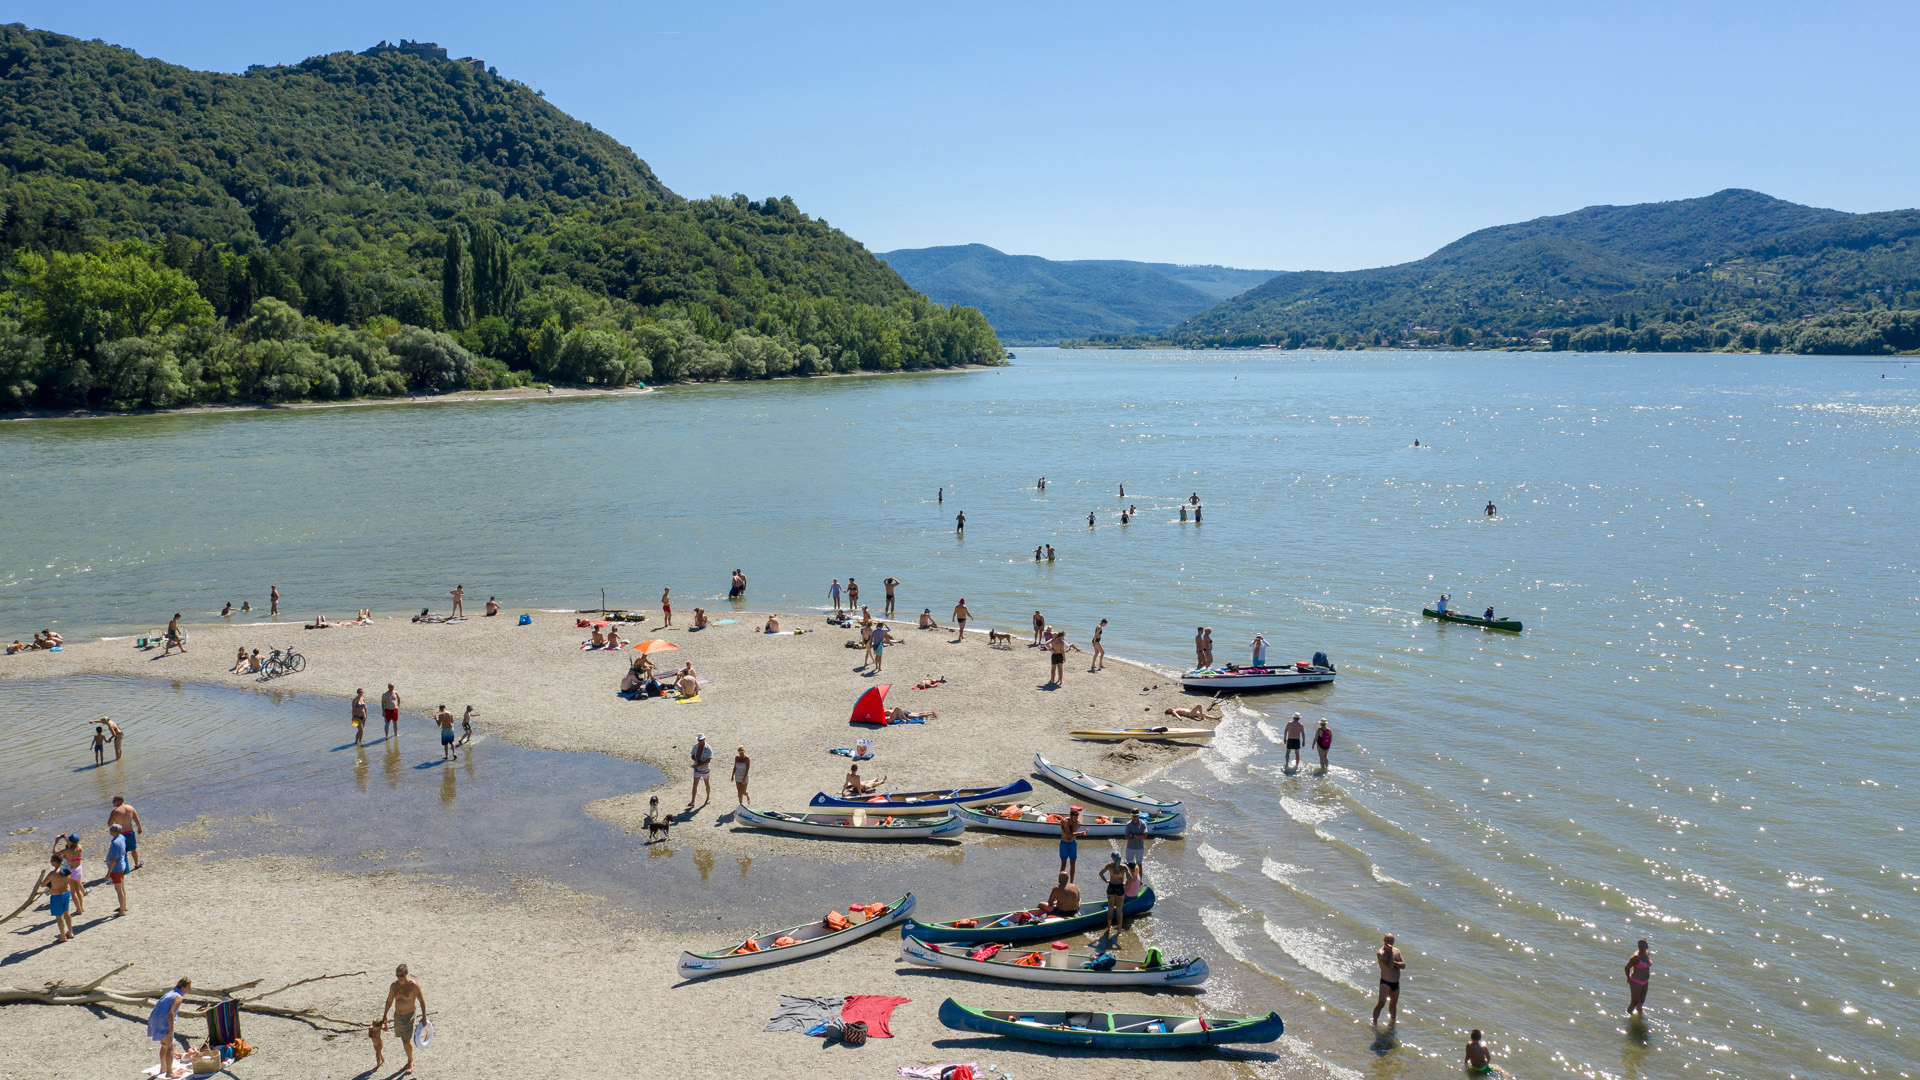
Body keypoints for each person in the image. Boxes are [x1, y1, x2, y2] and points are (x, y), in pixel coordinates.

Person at [381, 965, 427, 1076]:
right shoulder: (394, 986)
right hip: (398, 1016)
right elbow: (390, 1000)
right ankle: (409, 1060)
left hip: (409, 1015)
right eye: (397, 975)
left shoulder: (413, 986)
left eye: (401, 975)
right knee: (403, 1040)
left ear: (406, 974)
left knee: (406, 1041)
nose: (399, 977)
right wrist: (385, 1015)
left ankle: (411, 1062)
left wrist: (424, 1016)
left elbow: (421, 1001)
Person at [150, 978, 193, 1076]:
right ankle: (169, 1073)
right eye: (189, 987)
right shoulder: (178, 997)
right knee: (171, 1046)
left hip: (155, 1020)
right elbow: (171, 1014)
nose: (190, 989)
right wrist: (171, 1029)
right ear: (183, 987)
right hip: (163, 1022)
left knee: (164, 1045)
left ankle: (163, 1068)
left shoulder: (170, 993)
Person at [1373, 933, 1406, 1025]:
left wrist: (1394, 961)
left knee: (1393, 1004)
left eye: (1391, 940)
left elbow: (1403, 965)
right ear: (1384, 940)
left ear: (1394, 941)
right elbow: (1390, 966)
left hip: (1396, 983)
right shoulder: (1381, 953)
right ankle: (1374, 1022)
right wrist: (1392, 957)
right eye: (1387, 940)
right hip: (1385, 983)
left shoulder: (1397, 951)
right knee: (1381, 1004)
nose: (1389, 942)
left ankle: (1393, 1022)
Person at [42, 854, 74, 941]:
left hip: (57, 896)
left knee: (59, 917)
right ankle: (70, 932)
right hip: (66, 893)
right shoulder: (66, 870)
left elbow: (43, 884)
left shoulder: (53, 874)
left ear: (55, 862)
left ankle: (63, 937)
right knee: (67, 914)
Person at [109, 795, 143, 869]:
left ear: (120, 801)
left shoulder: (115, 812)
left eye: (114, 801)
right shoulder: (130, 808)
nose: (113, 803)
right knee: (133, 849)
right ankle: (137, 864)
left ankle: (123, 867)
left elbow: (109, 824)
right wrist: (139, 828)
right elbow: (136, 819)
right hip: (130, 832)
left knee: (122, 851)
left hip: (120, 834)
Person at [1098, 852, 1128, 931]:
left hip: (1111, 886)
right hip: (1120, 887)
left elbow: (1100, 873)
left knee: (1110, 908)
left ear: (1112, 858)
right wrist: (1125, 882)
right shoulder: (1124, 867)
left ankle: (1109, 927)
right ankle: (1119, 929)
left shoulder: (1109, 865)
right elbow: (1131, 878)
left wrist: (1106, 881)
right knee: (1119, 910)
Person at [106, 822, 131, 915]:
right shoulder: (122, 837)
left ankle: (122, 911)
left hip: (116, 869)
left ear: (113, 832)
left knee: (119, 890)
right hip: (122, 865)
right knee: (122, 887)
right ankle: (123, 906)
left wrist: (108, 872)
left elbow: (114, 859)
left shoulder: (115, 843)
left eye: (111, 830)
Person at [1057, 805, 1087, 880]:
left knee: (1073, 864)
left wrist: (1077, 826)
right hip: (1064, 843)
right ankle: (1061, 881)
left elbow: (1072, 834)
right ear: (1070, 816)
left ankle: (1071, 881)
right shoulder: (1065, 821)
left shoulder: (1078, 823)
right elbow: (1069, 834)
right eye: (1074, 818)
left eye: (1076, 818)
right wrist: (1082, 833)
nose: (1075, 820)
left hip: (1072, 843)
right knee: (1063, 864)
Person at [1625, 938, 1652, 1015]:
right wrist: (1628, 978)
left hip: (1645, 981)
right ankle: (1628, 1018)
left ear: (1647, 946)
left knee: (1641, 1002)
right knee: (1634, 1002)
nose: (1641, 947)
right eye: (1640, 945)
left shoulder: (1647, 954)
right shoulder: (1636, 957)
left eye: (1643, 945)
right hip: (1636, 981)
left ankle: (1640, 1018)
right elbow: (1627, 967)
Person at [687, 734, 713, 809]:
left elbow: (708, 760)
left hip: (705, 769)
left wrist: (698, 765)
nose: (700, 742)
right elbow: (692, 755)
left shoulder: (708, 748)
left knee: (706, 783)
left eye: (701, 740)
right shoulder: (696, 746)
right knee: (695, 784)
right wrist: (696, 760)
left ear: (704, 739)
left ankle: (708, 798)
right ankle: (693, 801)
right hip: (697, 769)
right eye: (699, 740)